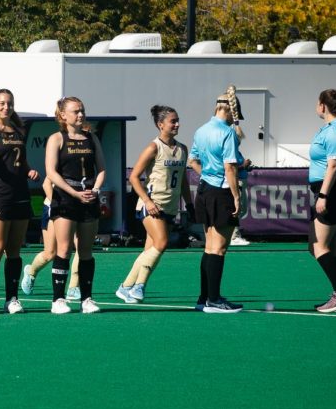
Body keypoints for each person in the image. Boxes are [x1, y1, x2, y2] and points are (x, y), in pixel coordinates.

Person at [117, 105, 192, 304]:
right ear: (160, 125)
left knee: (150, 250)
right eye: (172, 121)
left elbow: (183, 179)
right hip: (151, 205)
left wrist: (189, 204)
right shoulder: (153, 147)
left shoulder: (182, 149)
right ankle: (139, 286)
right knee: (162, 242)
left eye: (177, 120)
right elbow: (133, 177)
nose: (177, 124)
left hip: (169, 206)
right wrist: (148, 201)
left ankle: (125, 287)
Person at [0, 89, 39, 314]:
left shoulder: (18, 129)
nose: (6, 107)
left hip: (20, 193)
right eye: (1, 103)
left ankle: (12, 298)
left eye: (9, 103)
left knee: (14, 251)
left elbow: (21, 159)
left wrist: (30, 171)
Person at [188, 89, 248, 312]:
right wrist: (236, 196)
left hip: (205, 190)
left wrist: (207, 174)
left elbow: (193, 160)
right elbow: (230, 167)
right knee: (219, 248)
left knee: (210, 247)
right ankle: (213, 300)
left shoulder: (201, 130)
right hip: (221, 191)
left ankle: (204, 298)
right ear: (230, 110)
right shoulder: (227, 132)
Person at [44, 97, 105, 314]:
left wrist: (94, 191)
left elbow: (102, 169)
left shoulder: (92, 138)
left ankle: (86, 299)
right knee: (63, 249)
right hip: (65, 199)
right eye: (75, 111)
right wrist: (74, 193)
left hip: (88, 198)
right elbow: (51, 172)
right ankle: (58, 300)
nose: (80, 115)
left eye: (82, 110)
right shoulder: (56, 139)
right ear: (63, 115)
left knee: (86, 251)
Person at [308, 88, 336, 312]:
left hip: (332, 191)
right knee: (334, 249)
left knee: (317, 246)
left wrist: (323, 195)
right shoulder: (332, 128)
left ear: (323, 105)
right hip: (332, 190)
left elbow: (334, 165)